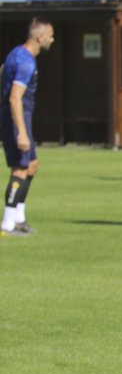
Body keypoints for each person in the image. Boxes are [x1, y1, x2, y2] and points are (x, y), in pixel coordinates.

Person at [1, 18, 55, 238]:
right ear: (40, 37)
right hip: (17, 119)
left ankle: (19, 219)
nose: (52, 39)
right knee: (20, 168)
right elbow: (15, 98)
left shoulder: (16, 53)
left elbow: (3, 70)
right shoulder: (26, 63)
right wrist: (21, 131)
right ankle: (7, 224)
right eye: (51, 35)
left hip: (19, 117)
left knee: (31, 165)